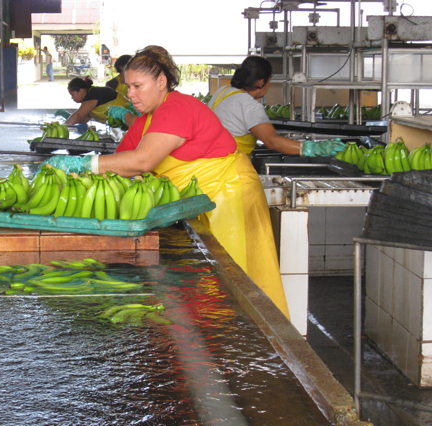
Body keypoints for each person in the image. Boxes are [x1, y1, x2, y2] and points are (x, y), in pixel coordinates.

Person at [41, 45, 291, 319]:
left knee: (238, 282)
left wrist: (84, 163)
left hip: (228, 195)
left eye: (137, 86)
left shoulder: (178, 108)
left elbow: (142, 161)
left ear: (161, 82)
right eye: (128, 86)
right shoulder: (146, 120)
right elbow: (123, 160)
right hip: (196, 201)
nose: (130, 94)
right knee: (211, 285)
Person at [208, 55, 345, 157]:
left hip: (208, 164)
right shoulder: (249, 106)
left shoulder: (223, 91)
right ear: (262, 82)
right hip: (228, 170)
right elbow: (272, 141)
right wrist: (315, 148)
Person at [64, 77, 128, 125]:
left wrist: (64, 126)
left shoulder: (92, 94)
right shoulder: (90, 95)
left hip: (126, 117)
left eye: (73, 95)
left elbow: (78, 115)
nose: (72, 98)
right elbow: (84, 119)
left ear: (81, 91)